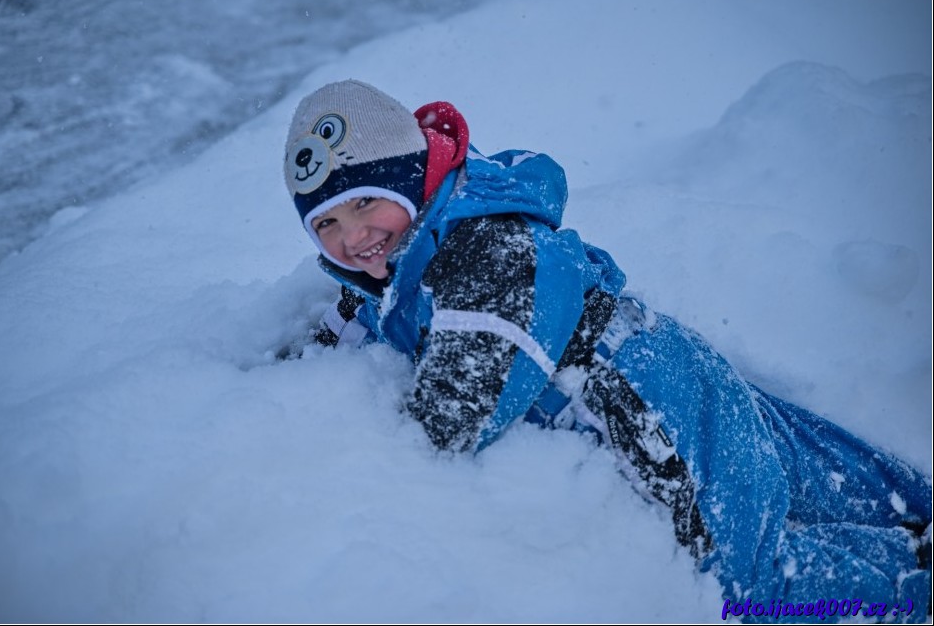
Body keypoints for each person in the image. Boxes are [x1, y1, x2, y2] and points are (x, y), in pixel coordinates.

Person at [281, 79, 931, 621]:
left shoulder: (489, 254)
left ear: (409, 181)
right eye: (327, 222)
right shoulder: (395, 259)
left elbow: (456, 415)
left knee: (752, 587)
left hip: (652, 416)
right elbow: (337, 335)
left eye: (366, 202)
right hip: (658, 360)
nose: (353, 236)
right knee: (831, 477)